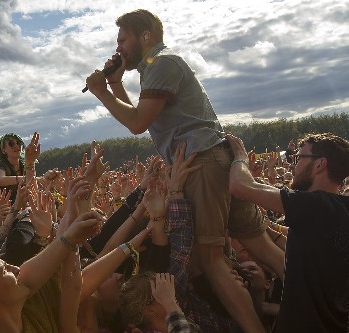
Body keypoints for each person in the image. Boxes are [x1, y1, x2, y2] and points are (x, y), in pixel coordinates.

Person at [86, 9, 283, 332]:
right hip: (213, 160)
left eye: (123, 39)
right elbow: (139, 114)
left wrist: (101, 91)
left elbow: (137, 123)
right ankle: (318, 300)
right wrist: (116, 84)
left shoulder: (161, 64)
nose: (118, 47)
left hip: (201, 164)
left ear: (145, 36)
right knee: (258, 242)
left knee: (210, 259)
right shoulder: (156, 67)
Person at [227, 132, 349, 333]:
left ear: (320, 164)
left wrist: (240, 157)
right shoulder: (335, 210)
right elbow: (287, 240)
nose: (293, 165)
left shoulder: (317, 205)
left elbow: (239, 185)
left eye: (299, 158)